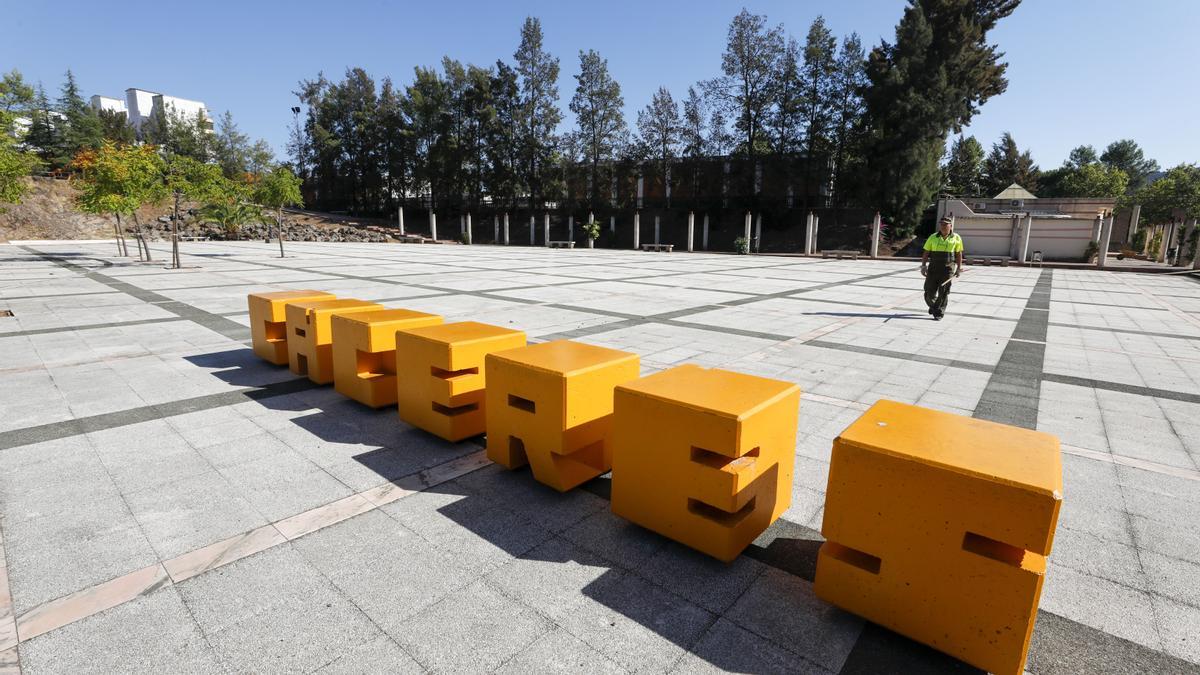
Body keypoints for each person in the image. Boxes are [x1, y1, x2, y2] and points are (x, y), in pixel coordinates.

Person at [920, 216, 964, 320]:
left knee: (943, 292)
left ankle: (939, 312)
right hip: (933, 268)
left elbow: (958, 254)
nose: (943, 226)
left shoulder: (956, 238)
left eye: (945, 224)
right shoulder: (933, 237)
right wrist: (923, 266)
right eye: (941, 224)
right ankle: (934, 306)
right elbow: (926, 252)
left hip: (948, 269)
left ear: (950, 226)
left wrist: (958, 268)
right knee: (928, 291)